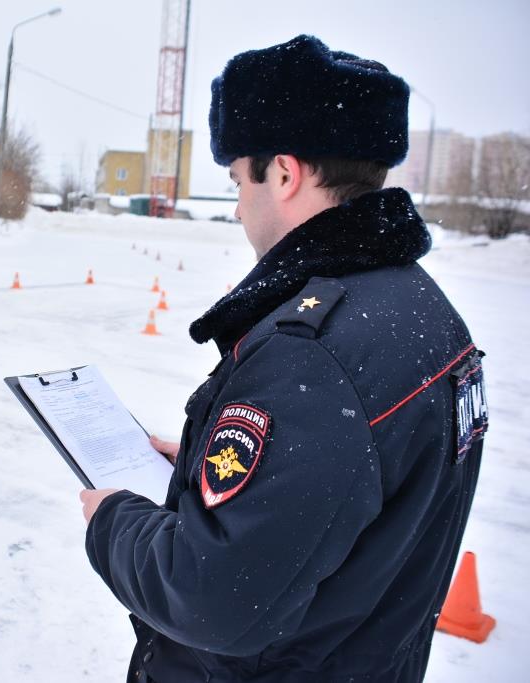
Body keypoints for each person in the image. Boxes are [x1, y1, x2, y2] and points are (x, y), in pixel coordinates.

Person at [79, 35, 488, 682]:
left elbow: (214, 598)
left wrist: (112, 520)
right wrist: (197, 471)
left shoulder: (313, 355)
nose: (238, 203)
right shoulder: (427, 311)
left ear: (286, 173)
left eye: (240, 178)